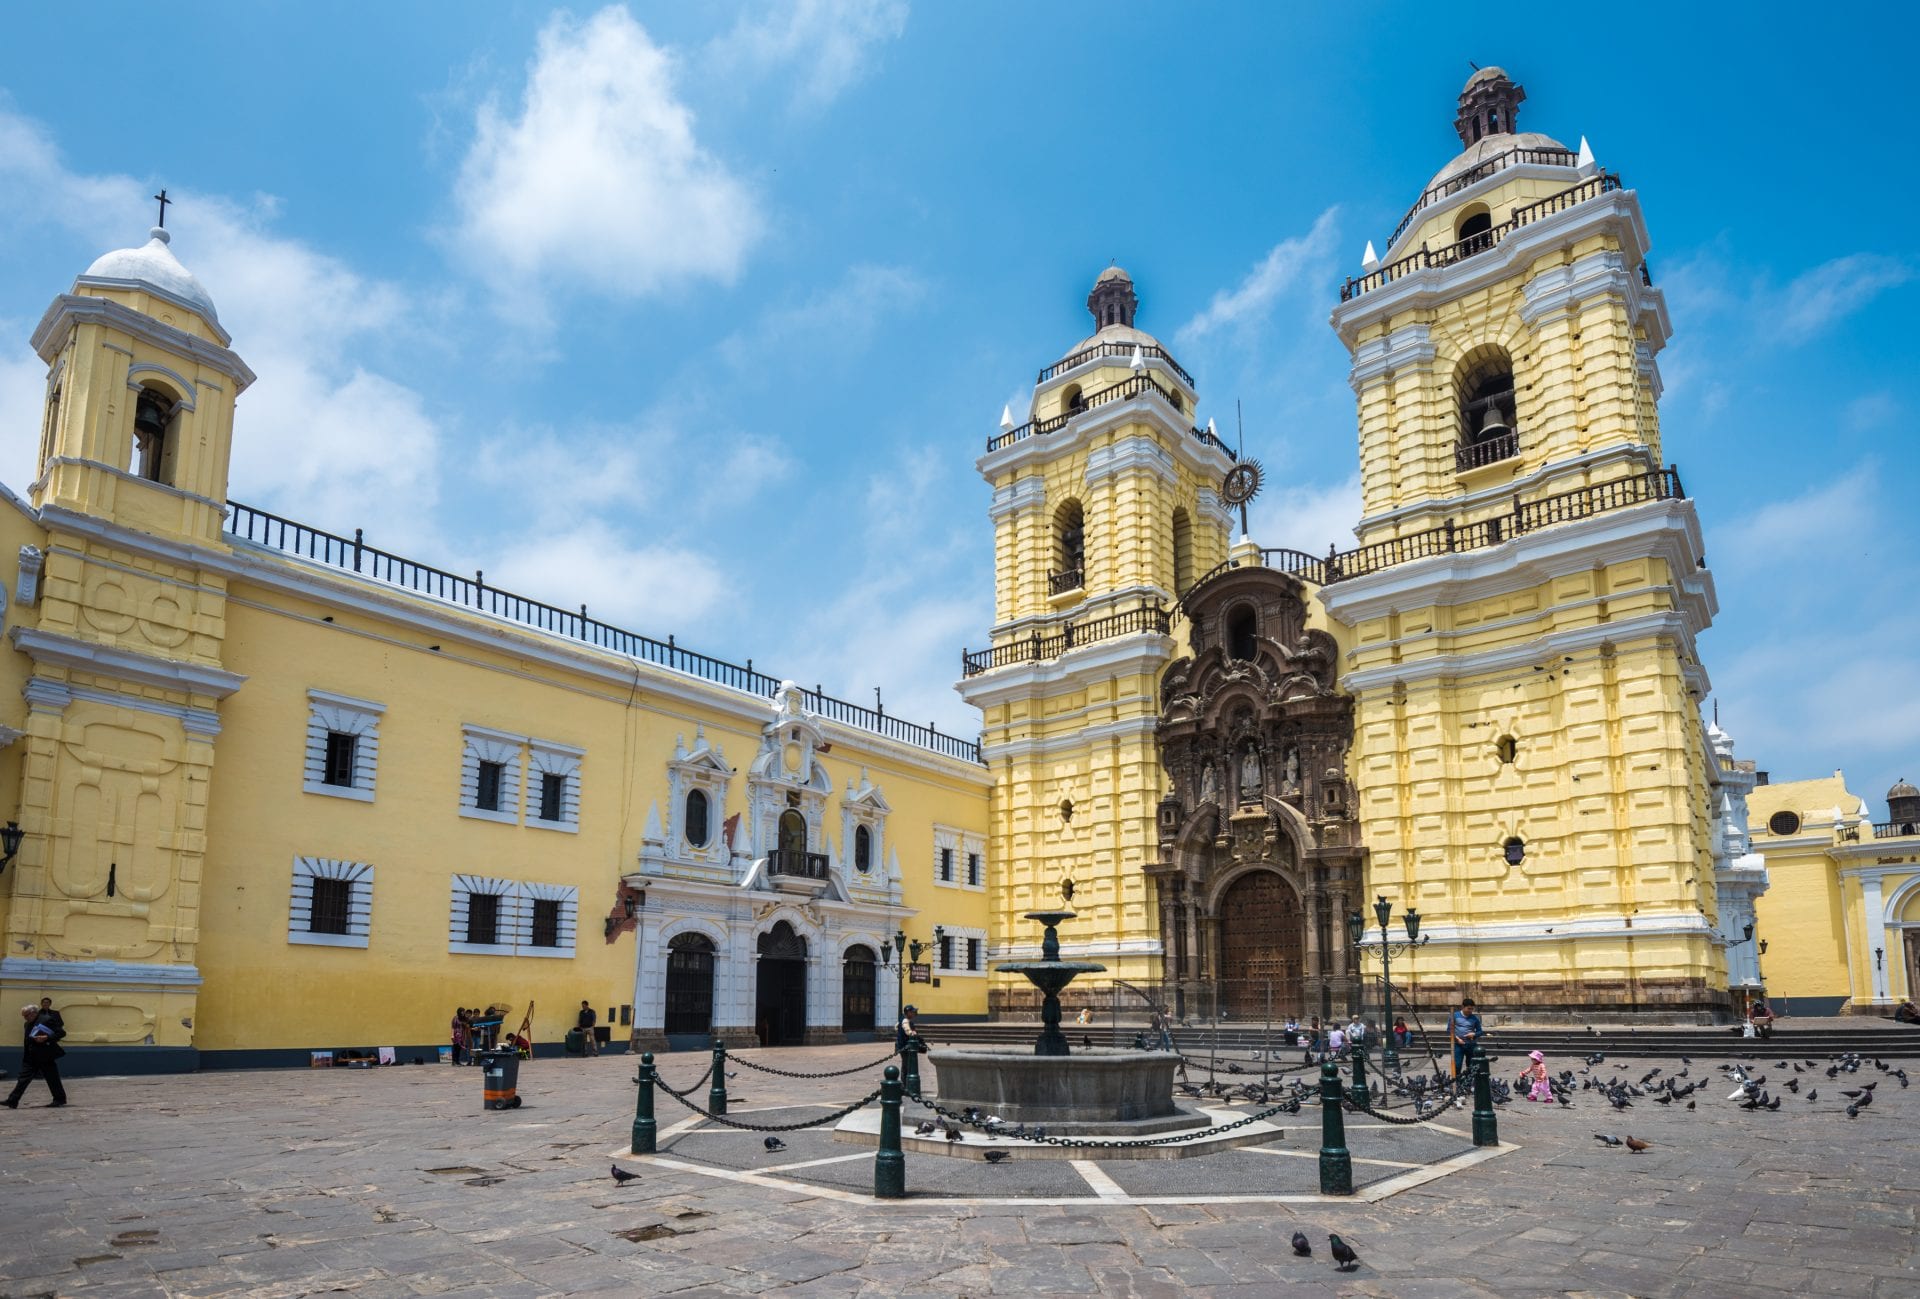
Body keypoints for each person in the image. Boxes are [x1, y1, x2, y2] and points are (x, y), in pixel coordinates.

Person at [4, 1003, 67, 1108]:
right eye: (23, 1016)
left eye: (26, 1015)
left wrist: (46, 1037)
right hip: (31, 1056)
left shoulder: (46, 1019)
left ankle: (59, 1099)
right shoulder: (27, 1024)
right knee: (23, 1078)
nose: (25, 1018)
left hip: (45, 1055)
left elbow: (61, 1033)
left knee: (52, 1078)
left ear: (33, 1013)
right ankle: (12, 1100)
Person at [1450, 997, 1483, 1078]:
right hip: (1458, 1045)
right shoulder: (1455, 1016)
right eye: (1468, 1008)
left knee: (1471, 1066)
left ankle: (1469, 1082)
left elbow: (1480, 1031)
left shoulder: (1474, 1018)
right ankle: (1456, 1082)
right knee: (1457, 1065)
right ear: (1463, 1007)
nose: (1470, 1011)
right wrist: (1457, 1039)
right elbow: (1449, 1030)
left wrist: (1474, 1034)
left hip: (1471, 1045)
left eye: (1472, 1009)